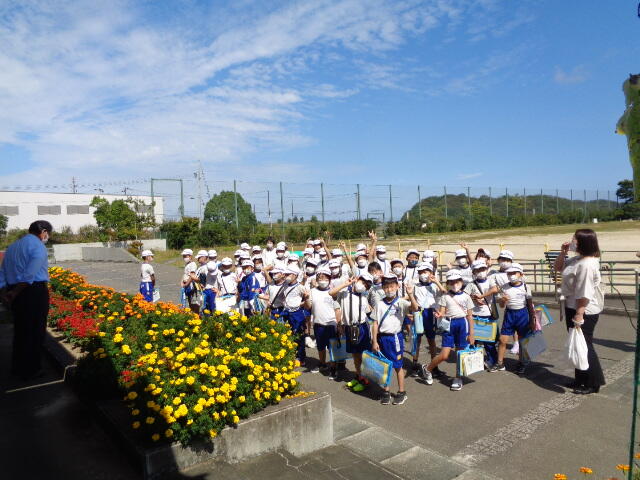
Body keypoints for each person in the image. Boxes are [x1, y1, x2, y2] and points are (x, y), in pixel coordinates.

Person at [555, 229, 605, 394]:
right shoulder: (577, 259)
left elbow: (584, 292)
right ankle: (580, 379)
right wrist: (563, 253)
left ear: (583, 242)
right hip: (572, 306)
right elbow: (558, 268)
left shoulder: (587, 264)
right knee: (577, 345)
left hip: (584, 310)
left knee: (585, 345)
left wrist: (579, 314)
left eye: (575, 239)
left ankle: (593, 382)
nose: (572, 241)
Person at [0, 220, 52, 380]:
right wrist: (15, 292)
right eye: (48, 233)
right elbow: (30, 274)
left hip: (14, 291)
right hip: (32, 291)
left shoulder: (13, 247)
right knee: (35, 331)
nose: (48, 237)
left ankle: (18, 367)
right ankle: (31, 369)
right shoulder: (38, 246)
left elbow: (2, 271)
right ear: (43, 232)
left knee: (21, 330)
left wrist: (5, 293)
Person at [421, 271, 475, 391]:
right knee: (444, 355)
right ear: (448, 284)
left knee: (460, 353)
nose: (454, 284)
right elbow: (442, 312)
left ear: (461, 282)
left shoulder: (466, 296)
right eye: (451, 282)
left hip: (462, 324)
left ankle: (458, 378)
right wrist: (439, 315)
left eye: (457, 281)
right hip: (449, 324)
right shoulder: (445, 296)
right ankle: (428, 368)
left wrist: (471, 333)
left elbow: (470, 316)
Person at [371, 274, 419, 405]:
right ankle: (386, 391)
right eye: (386, 287)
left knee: (398, 366)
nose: (389, 289)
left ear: (397, 286)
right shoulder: (379, 304)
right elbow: (375, 323)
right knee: (384, 366)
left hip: (395, 338)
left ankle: (402, 392)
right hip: (382, 338)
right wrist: (374, 341)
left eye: (392, 286)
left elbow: (415, 308)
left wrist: (410, 294)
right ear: (382, 288)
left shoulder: (401, 302)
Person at [330, 273, 373, 392]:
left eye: (366, 285)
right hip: (349, 328)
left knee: (362, 355)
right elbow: (331, 293)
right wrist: (346, 284)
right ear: (357, 279)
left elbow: (369, 313)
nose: (363, 286)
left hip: (362, 328)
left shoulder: (363, 297)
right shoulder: (344, 293)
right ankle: (359, 376)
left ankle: (365, 379)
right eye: (362, 282)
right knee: (355, 355)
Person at [488, 263, 534, 375]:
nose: (511, 275)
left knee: (523, 341)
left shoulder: (526, 287)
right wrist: (503, 300)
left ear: (521, 274)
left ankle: (522, 363)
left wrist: (532, 320)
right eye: (509, 273)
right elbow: (502, 306)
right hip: (509, 314)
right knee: (502, 340)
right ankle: (500, 363)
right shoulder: (504, 287)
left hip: (523, 314)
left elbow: (530, 304)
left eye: (514, 273)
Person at [304, 267, 341, 379]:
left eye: (325, 278)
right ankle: (322, 363)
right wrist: (306, 298)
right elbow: (308, 307)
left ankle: (333, 368)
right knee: (320, 347)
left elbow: (337, 310)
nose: (322, 280)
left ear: (329, 279)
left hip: (331, 324)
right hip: (318, 324)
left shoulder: (333, 292)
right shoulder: (312, 291)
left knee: (332, 348)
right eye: (320, 278)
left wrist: (339, 325)